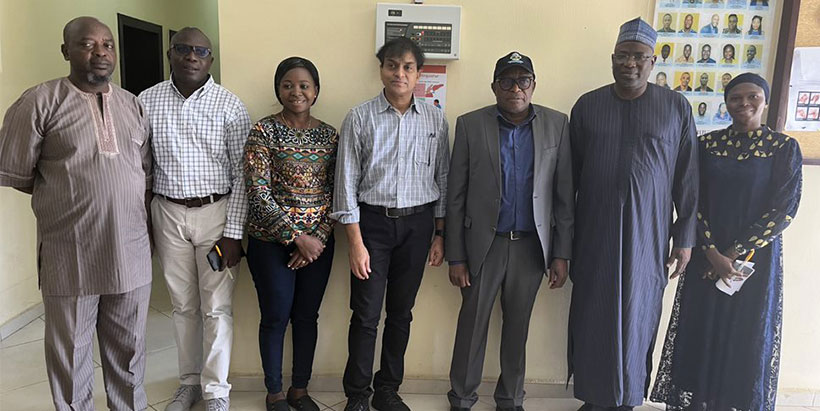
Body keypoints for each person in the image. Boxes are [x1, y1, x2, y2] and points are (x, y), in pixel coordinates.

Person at [0, 16, 153, 410]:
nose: (100, 52)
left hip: (130, 254)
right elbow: (18, 172)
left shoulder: (132, 105)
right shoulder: (39, 101)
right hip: (71, 254)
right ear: (66, 51)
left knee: (130, 354)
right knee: (71, 356)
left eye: (108, 45)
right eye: (88, 44)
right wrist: (69, 195)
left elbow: (142, 173)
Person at [568, 17, 698, 411]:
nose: (630, 64)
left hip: (650, 235)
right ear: (612, 59)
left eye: (639, 57)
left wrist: (685, 238)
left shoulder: (675, 106)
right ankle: (594, 396)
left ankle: (628, 397)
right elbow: (566, 180)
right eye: (623, 56)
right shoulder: (588, 105)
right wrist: (563, 242)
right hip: (594, 232)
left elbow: (688, 178)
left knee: (639, 314)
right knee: (593, 312)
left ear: (652, 60)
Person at [651, 73, 802, 411]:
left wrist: (731, 255)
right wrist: (711, 252)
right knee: (701, 327)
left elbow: (785, 210)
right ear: (726, 102)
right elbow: (693, 201)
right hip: (707, 254)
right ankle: (698, 401)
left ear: (764, 100)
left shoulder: (783, 148)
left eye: (752, 97)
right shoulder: (707, 145)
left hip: (753, 262)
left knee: (745, 332)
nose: (744, 104)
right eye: (736, 98)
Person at [445, 51, 574, 411]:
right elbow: (455, 195)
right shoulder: (470, 124)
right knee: (472, 327)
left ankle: (511, 398)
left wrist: (561, 253)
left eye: (523, 80)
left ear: (533, 85)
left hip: (531, 249)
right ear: (494, 87)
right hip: (482, 246)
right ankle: (462, 397)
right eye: (506, 81)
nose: (515, 88)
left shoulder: (556, 124)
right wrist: (456, 255)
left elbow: (564, 197)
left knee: (518, 328)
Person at [332, 36, 450, 411]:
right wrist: (355, 242)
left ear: (418, 74)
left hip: (418, 228)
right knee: (366, 314)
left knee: (401, 312)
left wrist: (439, 235)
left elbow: (443, 180)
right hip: (372, 226)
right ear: (381, 69)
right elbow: (345, 184)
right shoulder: (359, 117)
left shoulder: (434, 118)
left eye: (408, 67)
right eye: (392, 65)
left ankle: (387, 389)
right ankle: (358, 394)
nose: (399, 73)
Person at [139, 27, 251, 411]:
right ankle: (188, 383)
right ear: (171, 54)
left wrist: (234, 234)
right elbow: (142, 167)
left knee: (216, 307)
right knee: (182, 305)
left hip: (217, 214)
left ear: (210, 60)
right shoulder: (146, 101)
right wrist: (145, 223)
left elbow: (242, 174)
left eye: (200, 51)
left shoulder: (230, 105)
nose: (191, 57)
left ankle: (216, 391)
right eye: (183, 49)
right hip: (167, 213)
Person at [244, 57, 338, 411]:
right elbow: (258, 192)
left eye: (304, 85)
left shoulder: (329, 135)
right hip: (270, 244)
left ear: (315, 92)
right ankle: (275, 393)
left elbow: (335, 192)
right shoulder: (263, 131)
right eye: (287, 85)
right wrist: (296, 237)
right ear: (278, 89)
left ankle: (300, 389)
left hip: (318, 244)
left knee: (306, 317)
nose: (296, 92)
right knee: (275, 317)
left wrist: (317, 239)